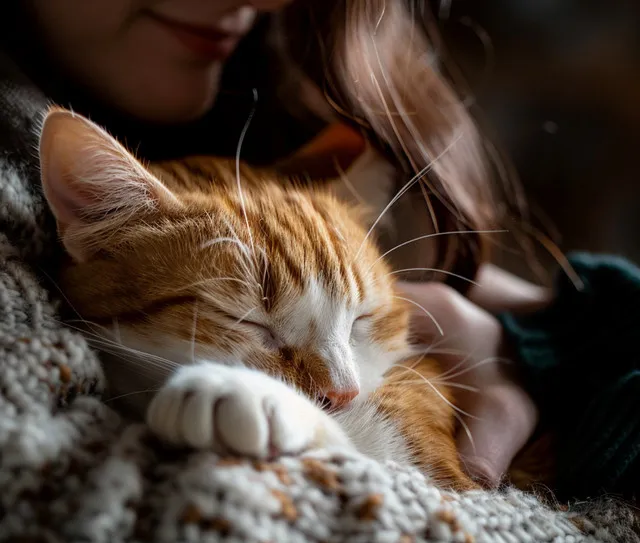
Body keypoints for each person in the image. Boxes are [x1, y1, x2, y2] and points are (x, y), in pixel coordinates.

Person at [1, 0, 554, 488]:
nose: (343, 386)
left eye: (362, 322)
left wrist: (556, 334)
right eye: (249, 323)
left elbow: (434, 504)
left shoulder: (291, 112)